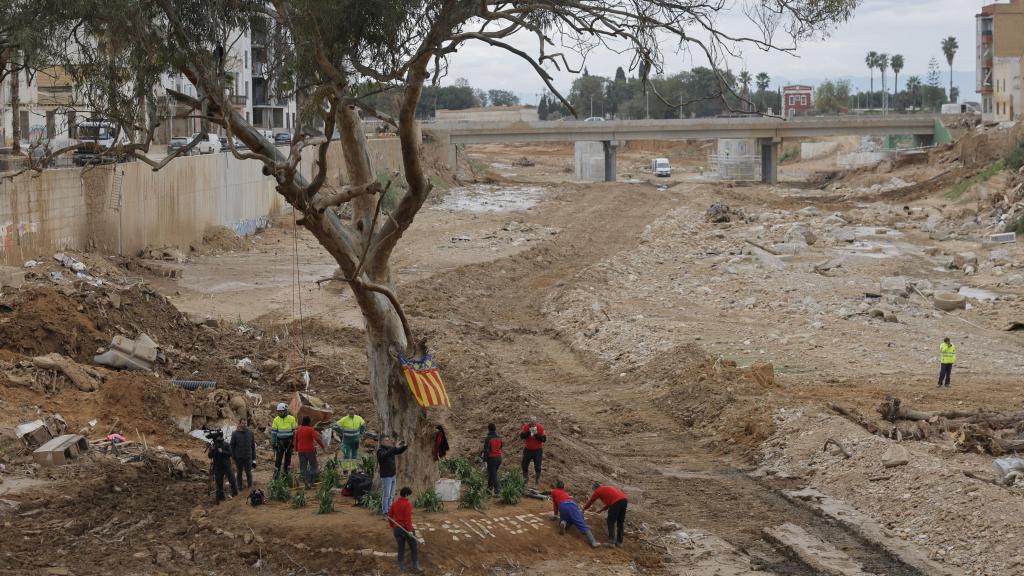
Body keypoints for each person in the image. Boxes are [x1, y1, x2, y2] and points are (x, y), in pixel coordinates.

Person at [548, 480, 598, 548]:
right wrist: (581, 518)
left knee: (566, 519)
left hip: (562, 506)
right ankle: (593, 542)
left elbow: (555, 505)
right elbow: (581, 517)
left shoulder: (553, 492)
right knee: (581, 523)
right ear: (563, 487)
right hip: (573, 504)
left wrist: (555, 515)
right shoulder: (565, 493)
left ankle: (564, 522)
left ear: (556, 486)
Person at [387, 486, 422, 574]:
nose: (409, 497)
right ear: (406, 494)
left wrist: (393, 526)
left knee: (401, 548)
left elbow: (389, 516)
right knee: (413, 547)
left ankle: (401, 568)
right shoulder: (407, 504)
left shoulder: (394, 504)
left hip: (397, 530)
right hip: (406, 530)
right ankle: (416, 566)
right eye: (408, 495)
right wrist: (410, 531)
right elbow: (407, 520)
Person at [583, 481, 628, 547]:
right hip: (624, 500)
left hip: (617, 502)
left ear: (595, 488)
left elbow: (591, 501)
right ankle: (619, 542)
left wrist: (584, 508)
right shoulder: (607, 488)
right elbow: (611, 502)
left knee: (610, 521)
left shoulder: (597, 491)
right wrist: (601, 510)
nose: (594, 491)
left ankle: (611, 542)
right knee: (620, 522)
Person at [377, 436, 408, 515]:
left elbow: (398, 451)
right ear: (381, 442)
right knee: (386, 495)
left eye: (388, 440)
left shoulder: (390, 449)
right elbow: (385, 455)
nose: (388, 441)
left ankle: (390, 509)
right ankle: (385, 512)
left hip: (393, 475)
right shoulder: (380, 451)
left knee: (391, 495)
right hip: (386, 476)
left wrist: (404, 446)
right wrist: (394, 448)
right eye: (386, 440)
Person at [295, 416, 326, 489]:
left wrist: (296, 449)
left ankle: (305, 481)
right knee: (314, 465)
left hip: (301, 451)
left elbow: (296, 440)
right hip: (310, 450)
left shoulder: (298, 430)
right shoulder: (311, 429)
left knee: (303, 466)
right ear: (309, 422)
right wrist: (323, 447)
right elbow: (317, 438)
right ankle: (312, 482)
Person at [207, 431, 238, 503]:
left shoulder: (226, 444)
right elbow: (209, 456)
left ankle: (235, 494)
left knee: (232, 480)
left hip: (227, 466)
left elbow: (230, 453)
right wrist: (214, 449)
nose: (219, 440)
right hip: (218, 467)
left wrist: (222, 451)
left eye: (220, 438)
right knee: (219, 483)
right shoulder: (213, 446)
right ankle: (220, 498)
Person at [334, 408, 366, 472]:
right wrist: (341, 432)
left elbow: (363, 425)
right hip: (347, 441)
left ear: (355, 412)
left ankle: (354, 469)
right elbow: (335, 426)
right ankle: (345, 469)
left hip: (355, 441)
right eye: (350, 413)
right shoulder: (344, 419)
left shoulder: (358, 418)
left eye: (352, 413)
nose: (351, 414)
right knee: (346, 455)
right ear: (348, 413)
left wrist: (361, 432)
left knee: (354, 455)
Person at [271, 403, 298, 478]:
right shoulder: (276, 419)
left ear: (285, 411)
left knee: (288, 459)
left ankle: (286, 474)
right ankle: (276, 475)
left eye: (281, 411)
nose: (279, 413)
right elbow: (273, 433)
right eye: (278, 412)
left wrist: (294, 442)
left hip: (289, 442)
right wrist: (273, 444)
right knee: (278, 459)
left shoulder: (292, 419)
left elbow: (295, 432)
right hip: (280, 443)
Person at [230, 418, 256, 489]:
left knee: (249, 473)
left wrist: (254, 458)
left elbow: (253, 446)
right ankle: (239, 487)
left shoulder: (250, 433)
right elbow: (232, 446)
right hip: (239, 457)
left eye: (245, 423)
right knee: (239, 473)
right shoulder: (235, 433)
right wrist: (233, 456)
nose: (244, 425)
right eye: (243, 423)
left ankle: (250, 486)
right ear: (240, 423)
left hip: (248, 457)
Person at [520, 415, 546, 486]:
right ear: (530, 422)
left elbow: (544, 440)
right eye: (531, 422)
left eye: (534, 422)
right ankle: (525, 480)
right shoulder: (526, 427)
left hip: (537, 450)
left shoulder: (540, 427)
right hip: (528, 449)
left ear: (536, 422)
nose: (533, 424)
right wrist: (528, 432)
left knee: (537, 466)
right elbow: (521, 436)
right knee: (524, 465)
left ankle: (537, 482)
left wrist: (536, 434)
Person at [481, 423, 503, 495]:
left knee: (494, 475)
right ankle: (489, 489)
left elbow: (486, 450)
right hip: (499, 458)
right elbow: (501, 446)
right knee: (492, 473)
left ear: (489, 429)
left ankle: (498, 491)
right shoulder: (499, 438)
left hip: (492, 459)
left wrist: (484, 460)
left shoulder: (488, 439)